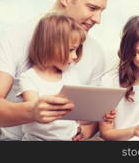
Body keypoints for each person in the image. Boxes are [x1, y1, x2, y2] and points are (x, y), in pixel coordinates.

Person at [0, 0, 109, 140]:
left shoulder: (96, 53)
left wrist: (85, 132)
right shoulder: (15, 37)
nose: (98, 19)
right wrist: (32, 111)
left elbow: (91, 114)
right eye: (92, 8)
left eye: (102, 11)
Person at [18, 13, 89, 141]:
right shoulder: (29, 78)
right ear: (50, 47)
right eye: (70, 50)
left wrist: (98, 115)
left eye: (76, 50)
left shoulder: (71, 73)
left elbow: (80, 112)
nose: (74, 56)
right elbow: (36, 113)